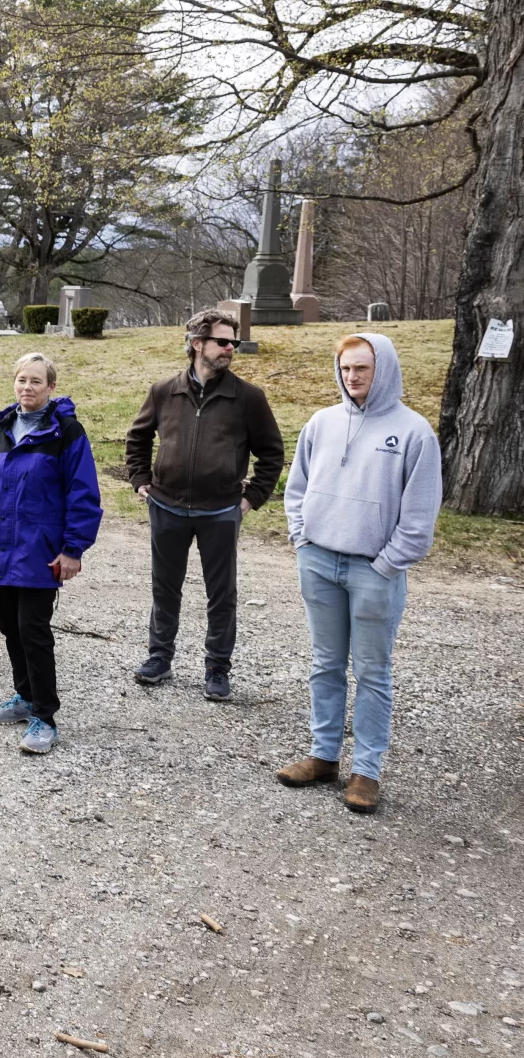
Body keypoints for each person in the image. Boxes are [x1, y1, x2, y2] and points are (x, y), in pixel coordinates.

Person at [277, 333, 441, 815]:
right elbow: (297, 486)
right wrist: (302, 538)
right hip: (319, 561)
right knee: (326, 664)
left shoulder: (414, 432)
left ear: (383, 369)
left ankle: (366, 771)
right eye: (346, 369)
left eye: (362, 369)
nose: (352, 377)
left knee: (372, 672)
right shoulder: (322, 422)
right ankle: (324, 755)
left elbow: (419, 516)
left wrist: (387, 563)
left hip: (375, 570)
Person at [124, 307, 285, 700]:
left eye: (234, 342)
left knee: (221, 593)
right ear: (198, 345)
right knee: (165, 588)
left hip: (221, 512)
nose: (231, 348)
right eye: (223, 341)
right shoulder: (164, 390)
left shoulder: (248, 397)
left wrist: (251, 498)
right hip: (167, 507)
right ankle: (159, 658)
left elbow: (272, 453)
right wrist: (140, 479)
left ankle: (217, 668)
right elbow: (138, 437)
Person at [0, 353, 104, 756]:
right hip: (1, 547)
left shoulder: (66, 432)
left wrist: (73, 549)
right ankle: (24, 697)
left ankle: (45, 716)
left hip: (40, 552)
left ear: (51, 388)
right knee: (10, 627)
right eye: (22, 380)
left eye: (36, 382)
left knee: (34, 631)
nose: (27, 387)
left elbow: (83, 493)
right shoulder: (0, 429)